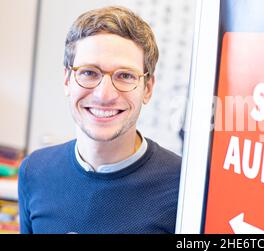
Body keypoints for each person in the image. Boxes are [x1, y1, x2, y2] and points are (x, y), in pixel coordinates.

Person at [18, 6, 181, 234]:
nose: (104, 95)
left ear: (148, 88)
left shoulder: (182, 186)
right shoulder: (34, 172)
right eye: (89, 72)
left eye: (125, 76)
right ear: (67, 80)